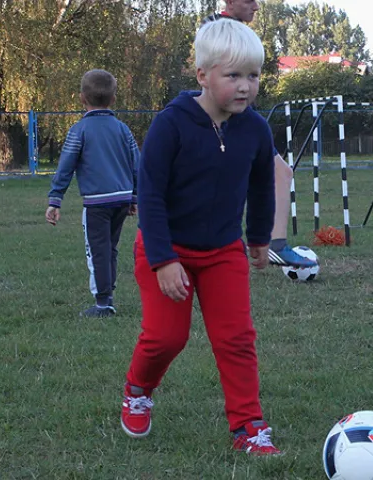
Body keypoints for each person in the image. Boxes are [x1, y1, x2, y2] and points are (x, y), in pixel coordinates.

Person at [119, 18, 282, 456]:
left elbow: (261, 186)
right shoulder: (171, 125)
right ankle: (137, 389)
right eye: (233, 76)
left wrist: (259, 238)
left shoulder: (255, 130)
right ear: (202, 76)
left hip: (223, 252)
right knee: (166, 338)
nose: (245, 87)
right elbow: (149, 195)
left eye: (253, 75)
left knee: (236, 338)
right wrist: (164, 259)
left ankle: (249, 427)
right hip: (166, 249)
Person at [205, 0, 317, 269]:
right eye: (249, 1)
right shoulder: (216, 28)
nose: (256, 6)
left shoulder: (236, 29)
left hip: (243, 119)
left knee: (280, 173)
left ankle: (274, 244)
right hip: (224, 122)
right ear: (230, 2)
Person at [45, 69, 139, 317]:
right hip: (121, 199)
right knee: (110, 248)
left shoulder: (79, 130)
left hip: (97, 202)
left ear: (81, 98)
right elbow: (137, 165)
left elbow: (66, 166)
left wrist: (56, 199)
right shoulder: (123, 130)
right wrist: (134, 196)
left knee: (97, 250)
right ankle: (108, 294)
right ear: (113, 99)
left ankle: (103, 303)